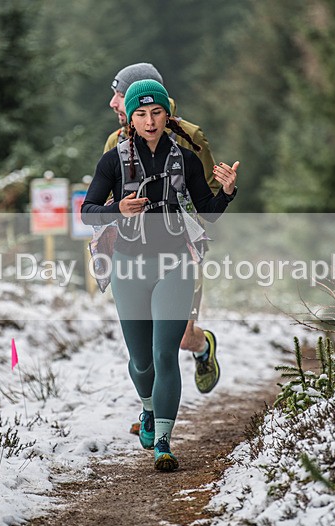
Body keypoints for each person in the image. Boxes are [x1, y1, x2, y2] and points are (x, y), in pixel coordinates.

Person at [82, 79, 239, 471]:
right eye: (140, 114)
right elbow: (87, 212)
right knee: (140, 361)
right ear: (130, 120)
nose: (150, 121)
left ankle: (164, 443)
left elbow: (208, 212)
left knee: (164, 353)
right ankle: (149, 409)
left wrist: (228, 192)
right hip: (128, 265)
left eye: (156, 113)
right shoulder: (112, 161)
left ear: (167, 115)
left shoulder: (184, 159)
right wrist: (118, 209)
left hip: (175, 264)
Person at [106, 63, 222, 400]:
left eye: (118, 95)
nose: (113, 103)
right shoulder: (115, 142)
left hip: (180, 252)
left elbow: (208, 198)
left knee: (180, 338)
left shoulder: (191, 136)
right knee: (147, 343)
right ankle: (152, 411)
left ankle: (202, 346)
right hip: (134, 256)